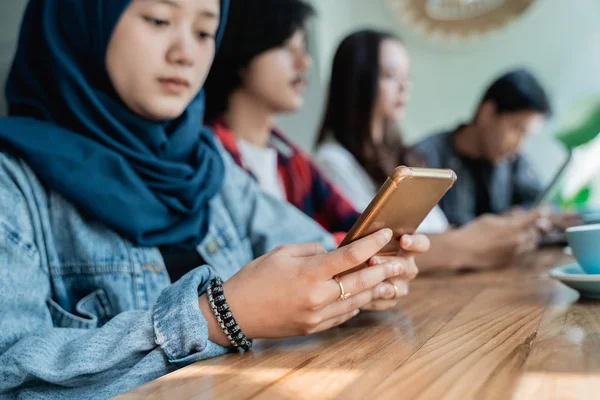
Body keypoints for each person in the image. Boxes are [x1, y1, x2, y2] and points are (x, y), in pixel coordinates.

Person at [0, 2, 429, 397]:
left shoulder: (207, 165)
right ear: (81, 20)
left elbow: (319, 249)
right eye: (158, 20)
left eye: (205, 32)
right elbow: (9, 374)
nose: (185, 53)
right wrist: (218, 317)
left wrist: (360, 275)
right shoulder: (12, 185)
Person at [314, 29, 541, 272]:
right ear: (356, 81)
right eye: (390, 75)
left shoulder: (401, 155)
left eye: (407, 76)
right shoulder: (332, 161)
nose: (404, 86)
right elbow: (366, 247)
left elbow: (436, 229)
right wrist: (464, 244)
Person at [204, 0, 360, 242]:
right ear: (244, 48)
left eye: (304, 47)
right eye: (286, 46)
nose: (304, 62)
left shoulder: (294, 161)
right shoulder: (207, 155)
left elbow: (358, 226)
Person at [414, 69, 551, 227]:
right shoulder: (425, 158)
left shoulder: (512, 159)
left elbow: (543, 201)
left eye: (526, 136)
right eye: (517, 129)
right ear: (487, 113)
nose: (519, 146)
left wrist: (526, 215)